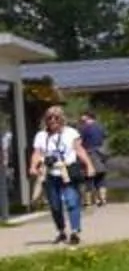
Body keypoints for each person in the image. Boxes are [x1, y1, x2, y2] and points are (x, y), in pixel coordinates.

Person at [27, 105, 93, 246]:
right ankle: (61, 231)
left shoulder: (71, 133)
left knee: (72, 201)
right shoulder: (41, 136)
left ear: (62, 119)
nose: (53, 120)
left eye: (56, 118)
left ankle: (75, 232)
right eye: (49, 118)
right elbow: (37, 153)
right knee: (55, 206)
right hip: (50, 174)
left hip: (67, 172)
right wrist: (33, 166)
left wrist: (89, 165)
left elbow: (79, 149)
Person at [75, 111, 108, 209]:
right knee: (101, 177)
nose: (82, 120)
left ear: (87, 117)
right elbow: (105, 139)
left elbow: (79, 142)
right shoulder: (101, 127)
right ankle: (103, 199)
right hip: (101, 153)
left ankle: (88, 201)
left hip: (89, 154)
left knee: (88, 178)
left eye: (83, 118)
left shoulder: (84, 128)